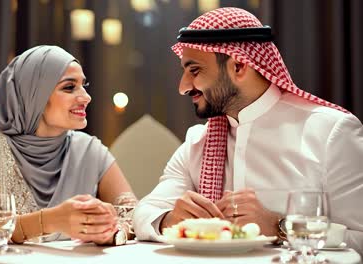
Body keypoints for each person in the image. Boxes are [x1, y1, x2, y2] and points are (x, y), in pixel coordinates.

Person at [133, 7, 363, 254]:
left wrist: (279, 227)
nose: (183, 87)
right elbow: (145, 212)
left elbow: (360, 238)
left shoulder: (330, 131)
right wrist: (170, 219)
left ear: (239, 66)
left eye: (195, 70)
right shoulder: (198, 142)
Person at [0, 45, 136, 245]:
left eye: (83, 86)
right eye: (69, 87)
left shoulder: (89, 150)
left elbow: (133, 215)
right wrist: (51, 221)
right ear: (33, 96)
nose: (86, 97)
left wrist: (111, 231)